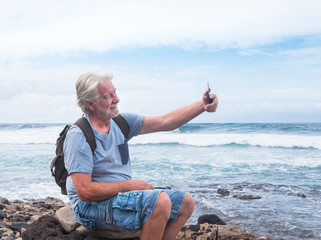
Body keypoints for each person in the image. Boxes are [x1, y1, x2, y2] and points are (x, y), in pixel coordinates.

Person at [63, 71, 218, 240]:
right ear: (90, 104)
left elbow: (167, 121)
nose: (116, 99)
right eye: (108, 96)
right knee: (160, 202)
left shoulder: (121, 123)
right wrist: (129, 186)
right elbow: (85, 192)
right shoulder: (78, 135)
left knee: (185, 202)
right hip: (90, 207)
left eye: (115, 92)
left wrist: (202, 106)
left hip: (118, 198)